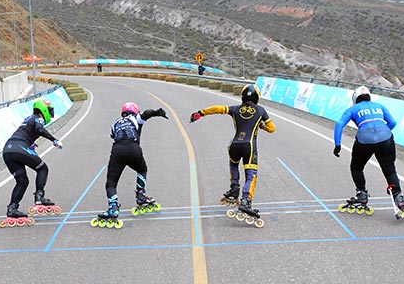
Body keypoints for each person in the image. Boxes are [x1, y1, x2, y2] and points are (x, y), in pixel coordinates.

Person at [189, 84, 276, 218]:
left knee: (234, 165)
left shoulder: (235, 109)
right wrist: (262, 125)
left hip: (234, 145)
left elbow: (218, 108)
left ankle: (234, 189)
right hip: (249, 146)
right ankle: (246, 201)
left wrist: (200, 113)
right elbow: (272, 128)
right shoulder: (260, 110)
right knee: (251, 174)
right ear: (257, 97)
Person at [332, 86, 404, 212]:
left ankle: (362, 195)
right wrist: (382, 133)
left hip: (364, 140)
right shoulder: (379, 106)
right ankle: (399, 198)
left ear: (355, 98)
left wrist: (338, 145)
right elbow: (393, 122)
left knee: (357, 167)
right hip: (386, 138)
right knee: (389, 169)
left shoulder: (353, 109)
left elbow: (339, 124)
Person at [98, 102, 169, 222]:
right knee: (142, 170)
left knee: (111, 183)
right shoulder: (135, 118)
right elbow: (146, 114)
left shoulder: (114, 123)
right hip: (133, 148)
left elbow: (113, 135)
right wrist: (156, 113)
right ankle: (140, 195)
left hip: (117, 151)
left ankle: (113, 207)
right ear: (135, 111)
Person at [2, 106, 63, 219]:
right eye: (49, 113)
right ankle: (39, 197)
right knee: (42, 168)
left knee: (22, 181)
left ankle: (12, 209)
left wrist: (30, 144)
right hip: (19, 147)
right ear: (43, 111)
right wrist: (54, 140)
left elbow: (25, 133)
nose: (49, 116)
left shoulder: (27, 119)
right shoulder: (36, 118)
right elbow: (39, 129)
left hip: (7, 150)